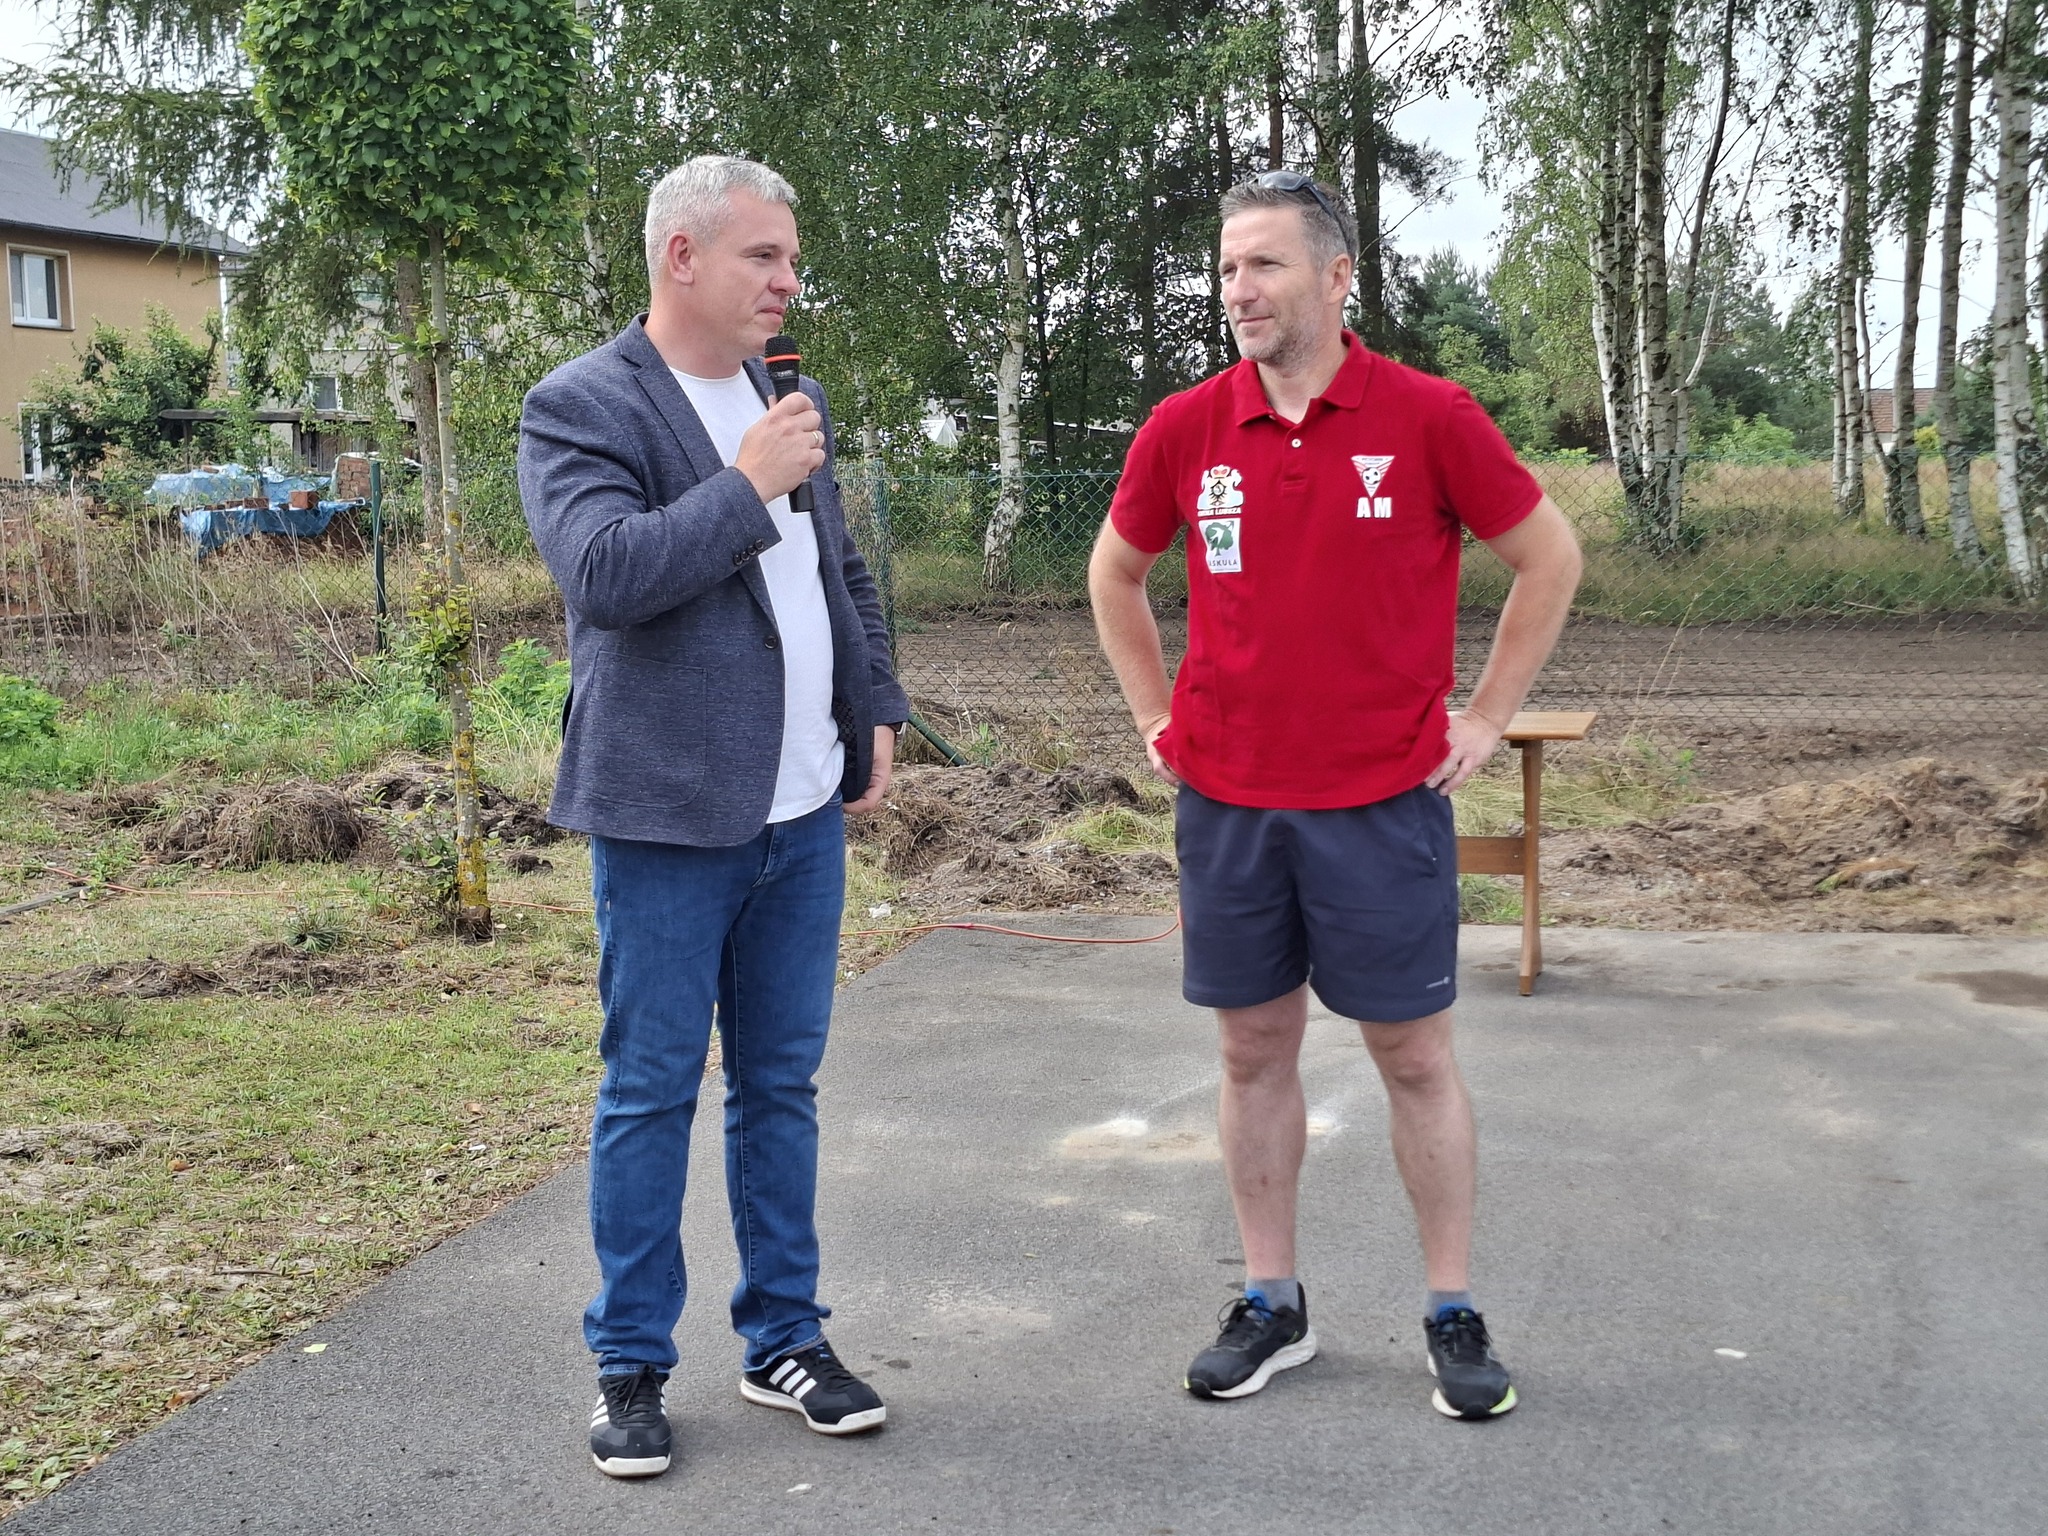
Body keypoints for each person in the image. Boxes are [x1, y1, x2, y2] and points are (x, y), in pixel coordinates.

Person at [1087, 171, 1582, 1420]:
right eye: (1225, 269)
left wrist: (1482, 716)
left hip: (1378, 802)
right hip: (1230, 802)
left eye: (1262, 265)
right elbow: (1115, 573)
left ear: (1335, 276)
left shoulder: (1427, 416)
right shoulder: (1185, 427)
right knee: (1251, 1050)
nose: (1237, 290)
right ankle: (1271, 1302)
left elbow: (1547, 557)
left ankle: (1450, 1309)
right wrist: (1153, 715)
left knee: (1411, 1055)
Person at [518, 155, 909, 1478]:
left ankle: (784, 1337)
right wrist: (744, 484)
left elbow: (837, 564)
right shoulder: (582, 403)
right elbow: (605, 575)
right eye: (763, 256)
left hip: (802, 809)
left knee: (780, 1089)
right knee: (649, 1094)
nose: (788, 280)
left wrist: (875, 700)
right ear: (681, 256)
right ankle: (630, 1363)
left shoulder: (788, 394)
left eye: (790, 258)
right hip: (668, 813)